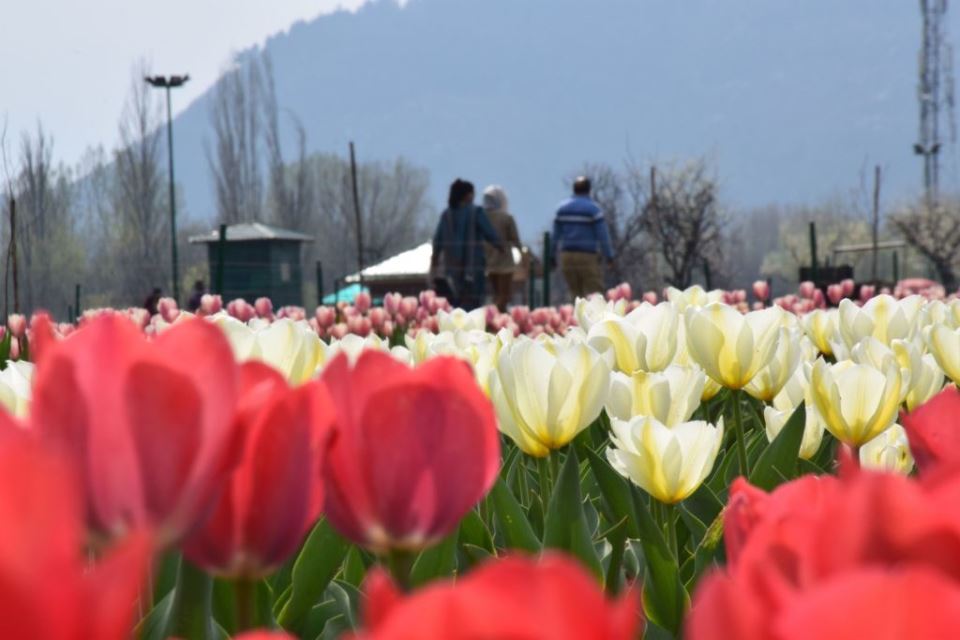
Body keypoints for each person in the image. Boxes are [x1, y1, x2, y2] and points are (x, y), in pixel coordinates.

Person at [430, 178, 504, 310]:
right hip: (473, 270)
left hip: (452, 271)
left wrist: (435, 259)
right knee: (473, 308)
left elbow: (437, 241)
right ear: (467, 194)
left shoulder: (446, 215)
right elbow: (490, 233)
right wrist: (501, 246)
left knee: (454, 308)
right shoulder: (476, 212)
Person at [551, 176, 615, 299]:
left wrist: (552, 256)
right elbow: (603, 235)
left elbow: (555, 235)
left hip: (567, 255)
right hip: (588, 256)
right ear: (589, 190)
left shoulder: (561, 209)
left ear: (574, 189)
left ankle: (575, 317)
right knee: (595, 292)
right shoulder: (593, 209)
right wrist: (609, 256)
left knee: (575, 293)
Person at [482, 185, 521, 312]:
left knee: (496, 294)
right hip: (505, 263)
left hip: (488, 262)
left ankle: (495, 317)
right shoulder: (506, 218)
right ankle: (496, 316)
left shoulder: (481, 217)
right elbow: (515, 239)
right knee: (504, 295)